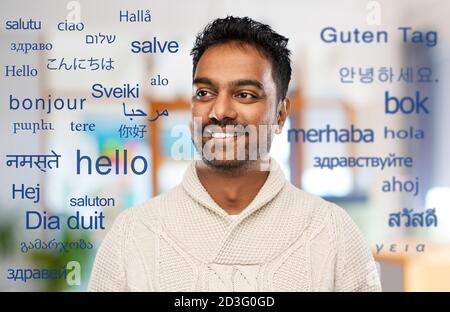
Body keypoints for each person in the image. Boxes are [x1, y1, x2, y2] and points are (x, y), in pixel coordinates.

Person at [89, 16, 381, 292]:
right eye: (204, 93)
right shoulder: (131, 235)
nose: (221, 111)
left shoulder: (334, 233)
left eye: (245, 95)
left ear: (280, 114)